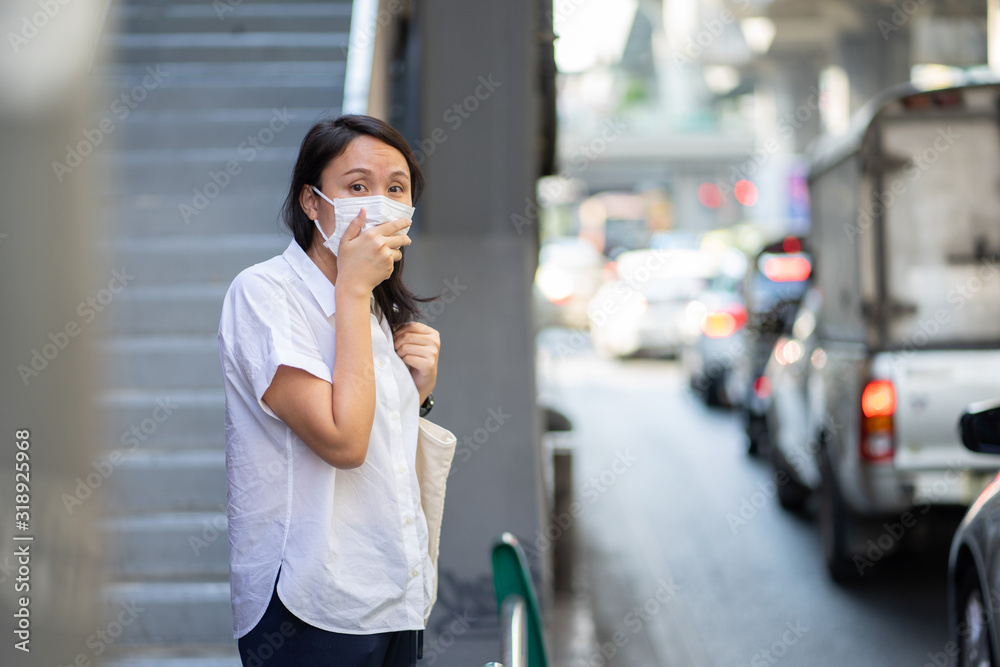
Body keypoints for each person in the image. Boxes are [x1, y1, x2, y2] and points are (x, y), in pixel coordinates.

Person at [218, 115, 442, 667]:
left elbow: (378, 443)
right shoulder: (265, 294)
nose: (380, 203)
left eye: (397, 188)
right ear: (313, 202)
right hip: (311, 602)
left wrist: (417, 394)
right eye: (357, 186)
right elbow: (344, 444)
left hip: (394, 588)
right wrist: (351, 289)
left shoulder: (373, 308)